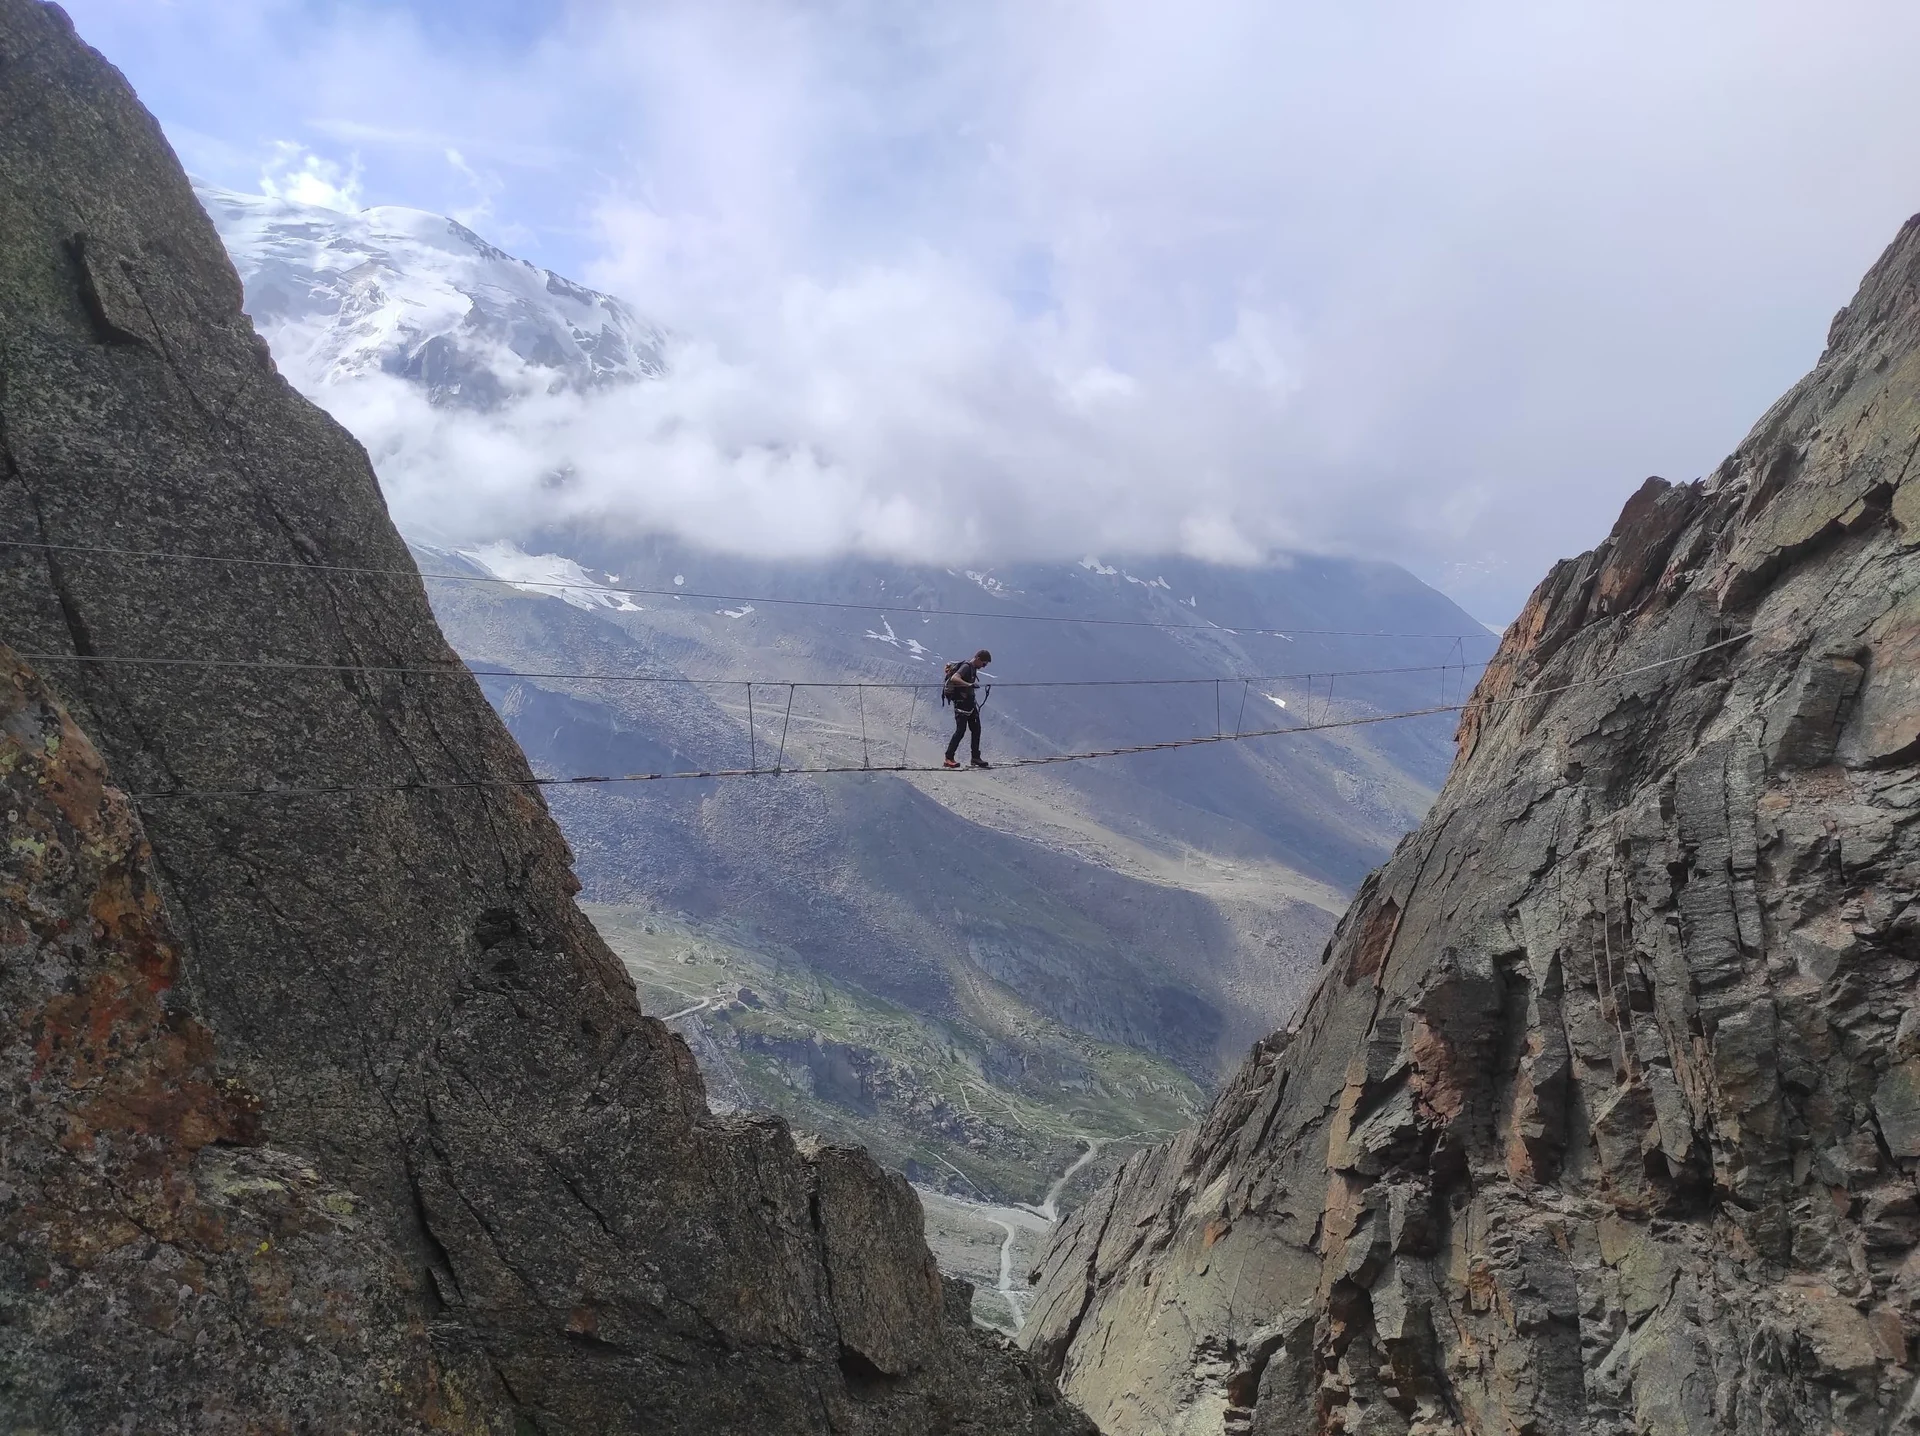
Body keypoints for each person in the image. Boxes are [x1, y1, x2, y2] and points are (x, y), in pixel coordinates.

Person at [942, 649, 993, 769]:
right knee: (960, 731)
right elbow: (955, 678)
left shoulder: (973, 668)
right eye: (984, 663)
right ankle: (948, 758)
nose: (984, 667)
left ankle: (975, 757)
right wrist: (969, 685)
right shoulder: (966, 666)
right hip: (961, 704)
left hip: (969, 704)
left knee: (976, 729)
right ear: (978, 659)